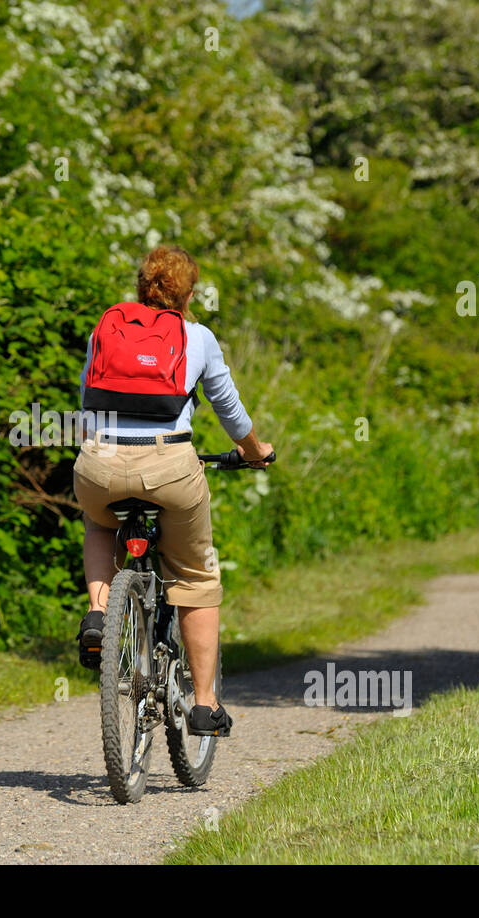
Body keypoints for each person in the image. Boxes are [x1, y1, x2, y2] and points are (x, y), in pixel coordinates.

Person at [73, 245, 272, 737]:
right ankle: (204, 705)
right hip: (170, 466)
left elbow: (85, 398)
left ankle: (99, 613)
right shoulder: (197, 336)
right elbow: (229, 410)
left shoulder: (108, 327)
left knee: (100, 521)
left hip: (100, 461)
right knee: (195, 576)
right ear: (188, 294)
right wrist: (253, 449)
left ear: (142, 288)